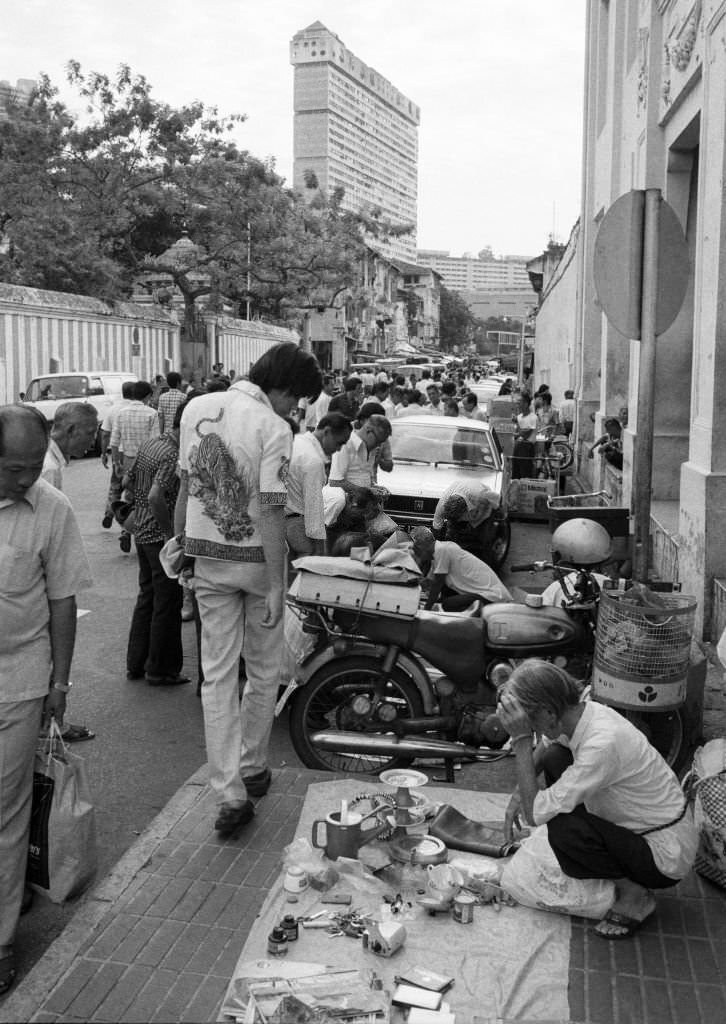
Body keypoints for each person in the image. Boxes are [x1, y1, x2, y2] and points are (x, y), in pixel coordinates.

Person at [176, 342, 323, 836]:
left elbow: (183, 489)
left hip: (208, 564)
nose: (295, 409)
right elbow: (273, 510)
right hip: (259, 568)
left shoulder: (196, 407)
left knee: (217, 677)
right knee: (262, 672)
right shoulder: (272, 427)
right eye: (296, 398)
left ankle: (230, 789)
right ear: (280, 386)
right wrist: (279, 583)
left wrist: (181, 547)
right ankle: (254, 764)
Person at [497, 659, 699, 940]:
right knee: (556, 758)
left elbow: (533, 814)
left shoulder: (602, 743)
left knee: (564, 830)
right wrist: (520, 793)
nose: (536, 732)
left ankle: (634, 894)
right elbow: (550, 744)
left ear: (548, 712)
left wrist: (520, 740)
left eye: (534, 724)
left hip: (663, 855)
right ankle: (606, 863)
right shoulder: (582, 713)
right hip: (640, 828)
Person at [0, 405, 92, 995]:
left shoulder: (50, 508)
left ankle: (2, 937)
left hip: (19, 680)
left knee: (7, 813)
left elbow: (62, 600)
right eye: (12, 469)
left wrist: (60, 685)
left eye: (32, 467)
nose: (25, 478)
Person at [125, 400, 189, 687]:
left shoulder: (150, 444)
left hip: (140, 530)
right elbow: (155, 496)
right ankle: (161, 669)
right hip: (157, 535)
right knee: (167, 602)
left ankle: (136, 663)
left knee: (147, 598)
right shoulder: (172, 454)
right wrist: (168, 533)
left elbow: (129, 480)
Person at [285, 412, 352, 557]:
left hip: (280, 519)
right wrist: (320, 548)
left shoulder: (297, 441)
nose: (339, 449)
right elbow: (313, 508)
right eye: (339, 443)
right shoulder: (312, 459)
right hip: (295, 522)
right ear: (327, 432)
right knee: (305, 570)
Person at [410, 526, 512, 611]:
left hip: (492, 595)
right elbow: (429, 582)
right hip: (484, 594)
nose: (416, 553)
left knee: (447, 604)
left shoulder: (442, 550)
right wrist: (412, 580)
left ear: (422, 546)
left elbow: (437, 585)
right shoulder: (436, 557)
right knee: (444, 600)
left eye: (416, 549)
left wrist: (425, 610)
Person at [110, 380, 161, 552]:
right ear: (148, 396)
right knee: (145, 497)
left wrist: (116, 462)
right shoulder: (152, 414)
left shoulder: (121, 413)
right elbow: (155, 442)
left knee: (131, 496)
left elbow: (114, 440)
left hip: (127, 459)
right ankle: (142, 530)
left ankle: (127, 529)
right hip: (147, 461)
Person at [432, 480, 501, 561]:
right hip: (467, 500)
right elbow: (436, 528)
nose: (457, 521)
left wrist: (499, 517)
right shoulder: (442, 505)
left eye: (458, 518)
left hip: (484, 508)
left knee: (484, 538)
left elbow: (498, 501)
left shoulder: (481, 494)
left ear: (466, 511)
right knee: (452, 536)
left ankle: (485, 561)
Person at [100, 381, 135, 530]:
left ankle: (109, 512)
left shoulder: (112, 409)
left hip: (117, 453)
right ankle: (126, 525)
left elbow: (105, 434)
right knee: (131, 489)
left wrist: (103, 453)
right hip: (132, 453)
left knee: (115, 485)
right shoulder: (137, 409)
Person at [41, 403, 99, 490]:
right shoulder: (50, 468)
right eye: (90, 433)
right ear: (71, 430)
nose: (94, 439)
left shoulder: (45, 453)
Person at [512, 392, 538, 479]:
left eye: (520, 402)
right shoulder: (519, 417)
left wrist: (517, 426)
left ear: (526, 404)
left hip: (526, 447)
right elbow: (517, 433)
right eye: (517, 402)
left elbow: (525, 434)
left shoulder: (533, 417)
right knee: (516, 473)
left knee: (525, 473)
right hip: (517, 447)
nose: (517, 404)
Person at [157, 371, 187, 435]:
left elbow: (161, 417)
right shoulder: (184, 397)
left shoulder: (162, 397)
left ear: (168, 383)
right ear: (178, 383)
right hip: (179, 434)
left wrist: (161, 434)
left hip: (166, 434)